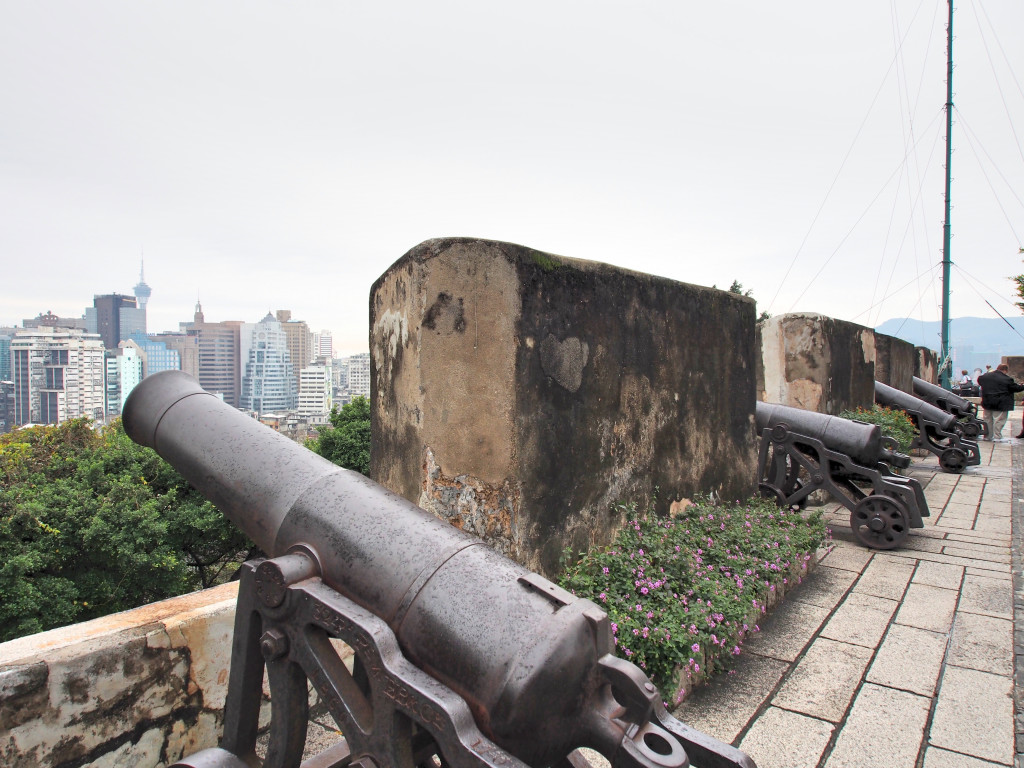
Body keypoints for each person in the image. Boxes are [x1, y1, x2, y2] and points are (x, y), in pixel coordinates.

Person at [977, 364, 1024, 440]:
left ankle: (987, 436)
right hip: (1001, 403)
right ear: (1005, 370)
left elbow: (979, 381)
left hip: (987, 402)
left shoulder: (985, 377)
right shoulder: (1007, 379)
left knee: (987, 420)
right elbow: (1016, 388)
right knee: (999, 420)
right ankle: (997, 436)